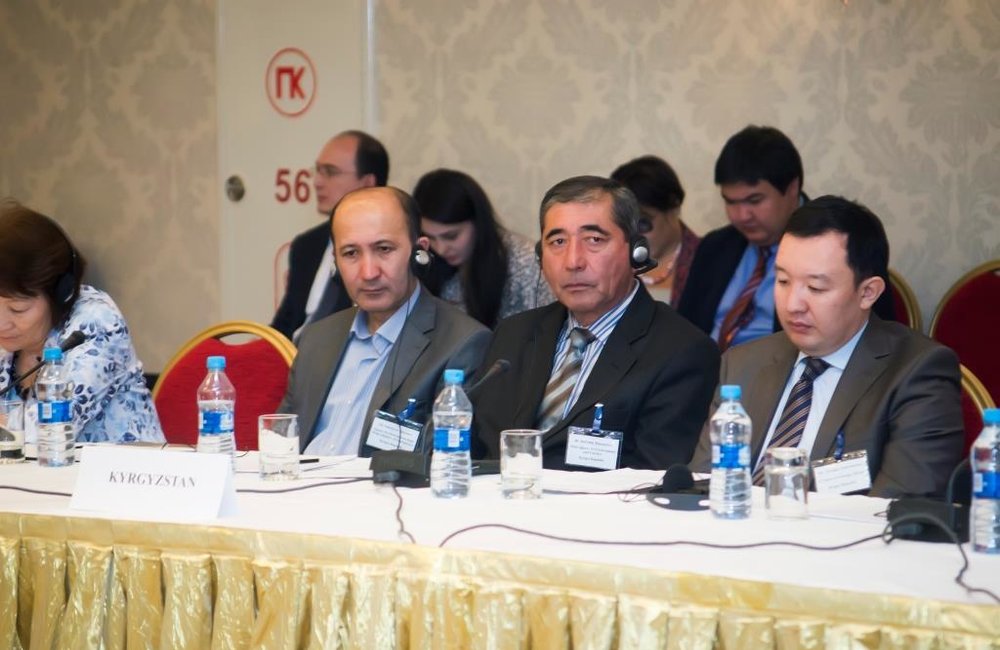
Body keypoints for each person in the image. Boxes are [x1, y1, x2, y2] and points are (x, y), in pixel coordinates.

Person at [690, 196, 963, 498]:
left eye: (816, 288)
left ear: (868, 293)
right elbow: (702, 486)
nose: (792, 305)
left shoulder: (917, 372)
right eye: (783, 281)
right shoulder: (743, 364)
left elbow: (899, 507)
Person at [473, 176, 719, 470]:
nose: (573, 261)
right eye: (558, 242)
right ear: (541, 257)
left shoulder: (682, 352)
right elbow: (477, 446)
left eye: (594, 240)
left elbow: (653, 477)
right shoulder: (513, 334)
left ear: (636, 252)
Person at [278, 187, 491, 456]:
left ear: (420, 251)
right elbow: (280, 439)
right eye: (351, 253)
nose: (368, 273)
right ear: (336, 261)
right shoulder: (316, 338)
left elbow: (442, 458)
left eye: (384, 249)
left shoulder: (462, 344)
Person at [677, 125, 895, 350]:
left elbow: (877, 342)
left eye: (755, 200)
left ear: (792, 188)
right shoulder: (715, 246)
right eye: (731, 202)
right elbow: (682, 330)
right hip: (707, 368)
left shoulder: (841, 243)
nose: (741, 215)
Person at [0, 201, 163, 444]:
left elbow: (48, 432)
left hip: (122, 467)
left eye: (17, 309)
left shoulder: (98, 324)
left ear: (60, 294)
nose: (2, 324)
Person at [271, 130, 389, 340]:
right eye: (317, 170)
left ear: (367, 183)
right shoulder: (306, 245)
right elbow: (284, 326)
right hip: (294, 355)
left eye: (330, 172)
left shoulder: (389, 249)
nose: (317, 182)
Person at [413, 168, 555, 328]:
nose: (440, 249)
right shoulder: (427, 260)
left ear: (478, 222)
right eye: (430, 238)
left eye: (451, 236)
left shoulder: (527, 263)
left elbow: (547, 329)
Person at [610, 155, 700, 305]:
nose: (633, 235)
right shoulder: (608, 261)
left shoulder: (710, 261)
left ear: (674, 206)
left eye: (642, 223)